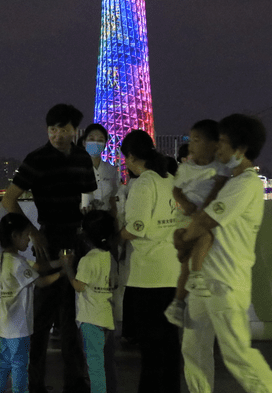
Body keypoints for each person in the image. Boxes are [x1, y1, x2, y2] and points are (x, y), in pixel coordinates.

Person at [177, 114, 272, 393]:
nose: (217, 148)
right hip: (206, 281)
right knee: (193, 350)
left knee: (238, 356)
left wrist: (182, 239)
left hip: (225, 281)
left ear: (240, 149)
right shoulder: (229, 181)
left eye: (223, 142)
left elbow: (204, 221)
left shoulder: (245, 184)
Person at [0, 104, 96, 393]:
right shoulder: (37, 159)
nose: (56, 135)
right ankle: (34, 381)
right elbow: (9, 199)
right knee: (42, 315)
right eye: (52, 130)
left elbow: (88, 197)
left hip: (74, 236)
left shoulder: (81, 158)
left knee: (71, 314)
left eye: (63, 129)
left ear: (74, 130)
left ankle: (76, 381)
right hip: (49, 236)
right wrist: (31, 231)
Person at [120, 129, 185, 393]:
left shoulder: (144, 183)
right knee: (169, 345)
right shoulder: (168, 179)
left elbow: (135, 228)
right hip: (172, 271)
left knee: (150, 349)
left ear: (133, 156)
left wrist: (114, 236)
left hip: (148, 276)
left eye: (126, 158)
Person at [0, 213, 64, 393]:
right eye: (26, 236)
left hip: (4, 326)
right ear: (15, 236)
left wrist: (59, 262)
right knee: (20, 366)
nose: (29, 241)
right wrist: (64, 273)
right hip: (18, 328)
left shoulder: (8, 259)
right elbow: (40, 281)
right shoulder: (17, 263)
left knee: (3, 364)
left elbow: (38, 267)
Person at [165, 119, 224, 327]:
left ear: (214, 144)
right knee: (200, 243)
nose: (191, 145)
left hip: (202, 216)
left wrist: (204, 208)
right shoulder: (186, 167)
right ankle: (194, 279)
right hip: (186, 216)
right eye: (191, 140)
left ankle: (178, 304)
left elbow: (219, 189)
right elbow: (176, 190)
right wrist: (186, 204)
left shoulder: (220, 167)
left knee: (185, 259)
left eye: (197, 140)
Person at [63, 210, 119, 393]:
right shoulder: (110, 257)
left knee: (94, 366)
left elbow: (79, 286)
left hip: (90, 320)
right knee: (107, 363)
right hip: (107, 318)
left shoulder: (88, 260)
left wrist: (68, 268)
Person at [80, 124, 120, 215]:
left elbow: (112, 200)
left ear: (105, 145)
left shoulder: (111, 170)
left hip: (104, 223)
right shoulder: (75, 169)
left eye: (100, 140)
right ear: (84, 142)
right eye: (91, 139)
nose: (96, 143)